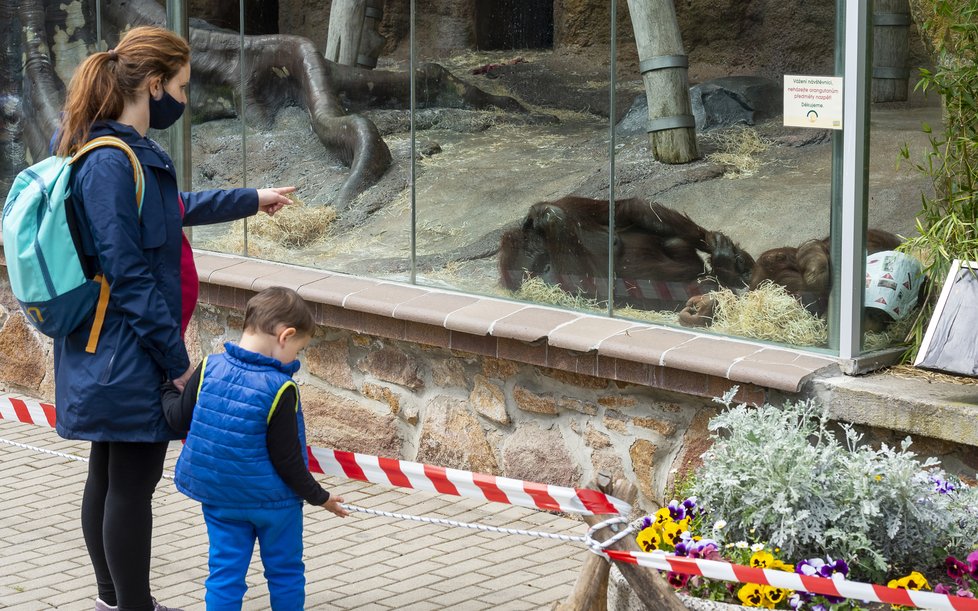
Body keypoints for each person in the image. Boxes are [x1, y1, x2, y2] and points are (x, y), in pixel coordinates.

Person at [51, 26, 296, 611]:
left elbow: (171, 210)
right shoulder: (111, 161)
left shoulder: (122, 153)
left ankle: (114, 598)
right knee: (129, 484)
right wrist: (177, 361)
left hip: (113, 345)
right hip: (125, 348)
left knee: (110, 475)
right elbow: (129, 272)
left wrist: (250, 197)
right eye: (181, 88)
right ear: (154, 84)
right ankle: (132, 604)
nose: (183, 101)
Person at [161, 286, 349, 610]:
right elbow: (288, 461)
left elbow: (178, 419)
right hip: (275, 506)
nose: (296, 359)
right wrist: (321, 497)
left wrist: (165, 387)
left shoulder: (208, 368)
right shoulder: (281, 388)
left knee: (224, 575)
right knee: (285, 573)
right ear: (284, 336)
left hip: (221, 501)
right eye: (298, 349)